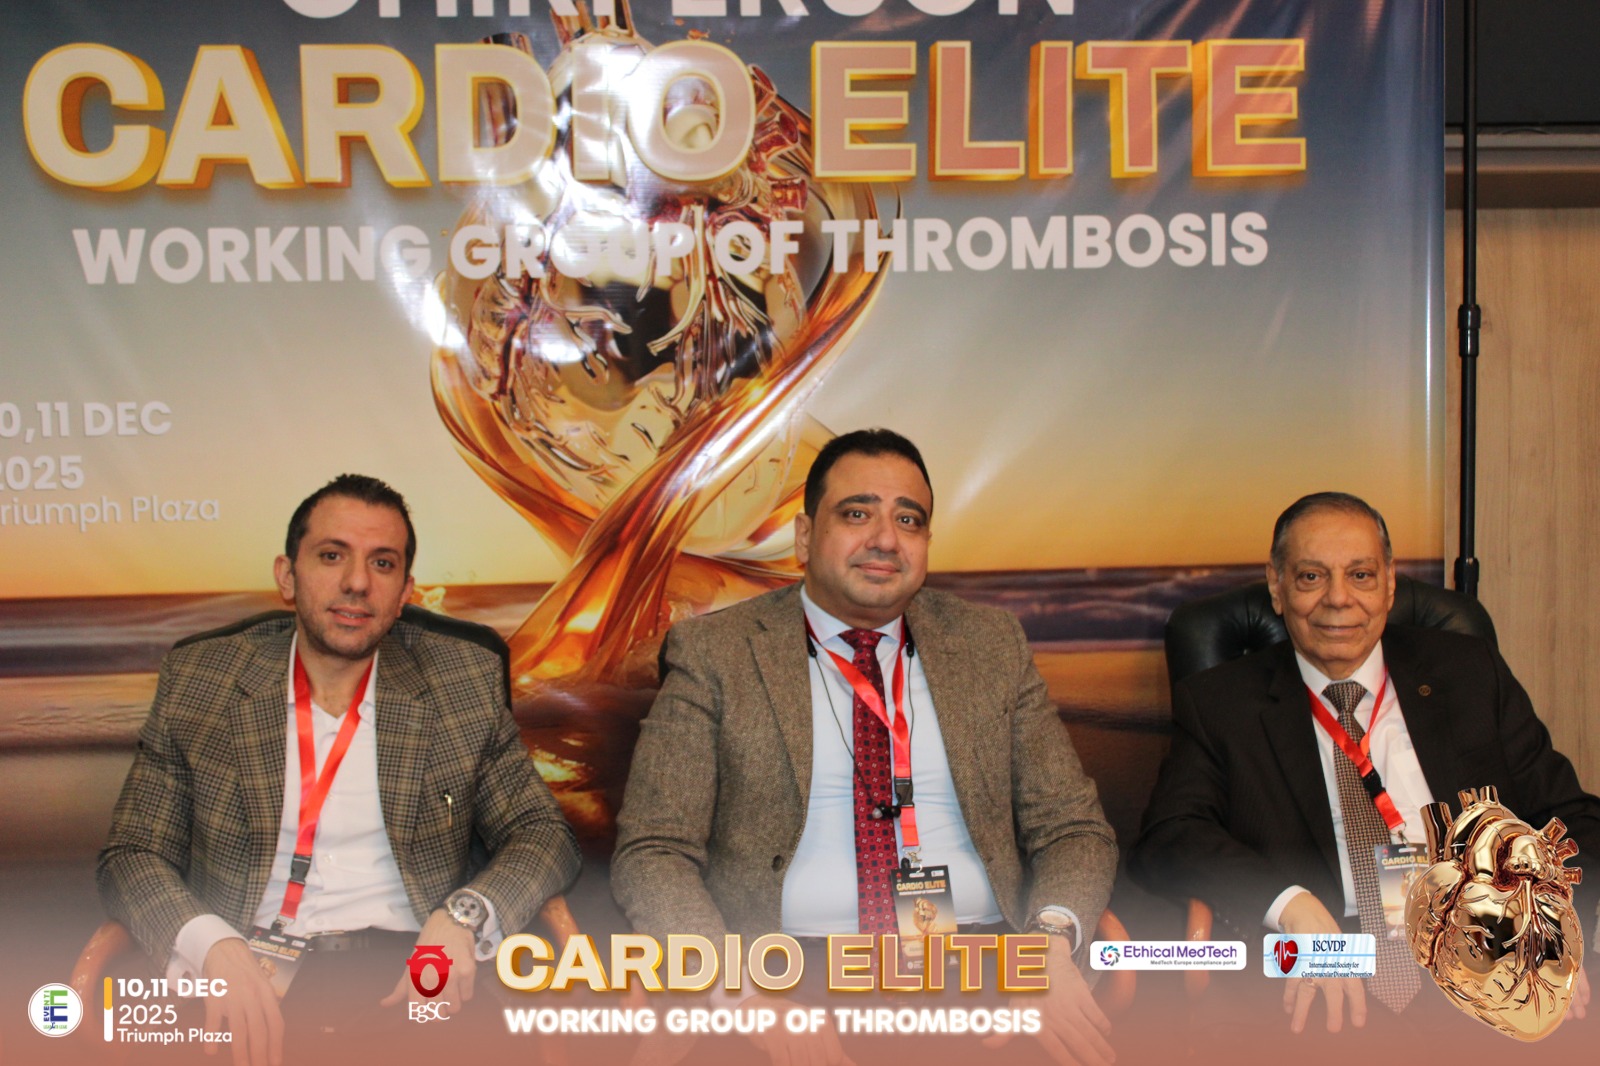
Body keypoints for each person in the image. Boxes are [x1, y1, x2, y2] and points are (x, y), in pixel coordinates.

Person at [612, 429, 1118, 1066]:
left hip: (985, 966)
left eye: (909, 520)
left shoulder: (989, 645)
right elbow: (653, 850)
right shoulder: (717, 653)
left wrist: (1049, 944)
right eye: (857, 514)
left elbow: (1073, 829)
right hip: (785, 972)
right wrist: (734, 990)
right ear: (804, 537)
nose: (885, 539)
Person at [98, 474, 580, 1063]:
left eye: (383, 563)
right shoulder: (206, 679)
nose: (357, 582)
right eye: (332, 556)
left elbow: (542, 834)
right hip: (244, 973)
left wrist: (464, 917)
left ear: (405, 592)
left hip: (418, 975)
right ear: (287, 575)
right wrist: (209, 943)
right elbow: (132, 854)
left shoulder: (460, 680)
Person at [1131, 491, 1599, 1035]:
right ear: (1277, 587)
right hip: (1324, 957)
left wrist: (1550, 919)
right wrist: (1288, 904)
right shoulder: (1221, 704)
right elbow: (1170, 836)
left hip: (1483, 945)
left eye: (1360, 575)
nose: (1338, 599)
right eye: (1311, 577)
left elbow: (1574, 816)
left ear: (1390, 583)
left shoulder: (1468, 672)